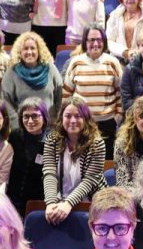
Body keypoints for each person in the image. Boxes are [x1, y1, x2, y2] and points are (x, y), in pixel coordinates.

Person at [42, 95, 106, 225]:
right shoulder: (52, 140)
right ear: (61, 118)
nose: (72, 120)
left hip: (92, 201)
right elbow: (49, 173)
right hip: (60, 201)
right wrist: (50, 203)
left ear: (86, 119)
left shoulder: (97, 143)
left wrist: (68, 203)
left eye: (78, 116)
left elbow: (90, 180)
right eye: (68, 116)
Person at [63, 25, 123, 156]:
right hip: (81, 124)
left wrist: (117, 117)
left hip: (107, 124)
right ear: (85, 42)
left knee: (105, 163)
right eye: (91, 40)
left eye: (99, 39)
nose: (95, 43)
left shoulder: (113, 62)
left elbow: (120, 93)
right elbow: (67, 94)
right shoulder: (75, 63)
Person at [1, 31, 65, 126]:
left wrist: (56, 119)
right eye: (25, 49)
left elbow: (60, 96)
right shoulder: (12, 72)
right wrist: (17, 125)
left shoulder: (51, 68)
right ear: (20, 52)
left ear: (39, 51)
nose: (29, 52)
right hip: (22, 127)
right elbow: (6, 101)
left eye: (33, 48)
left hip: (49, 125)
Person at [7, 98, 49, 213]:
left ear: (44, 117)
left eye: (35, 116)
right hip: (11, 202)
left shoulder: (51, 142)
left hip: (38, 205)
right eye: (26, 116)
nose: (30, 121)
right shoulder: (14, 137)